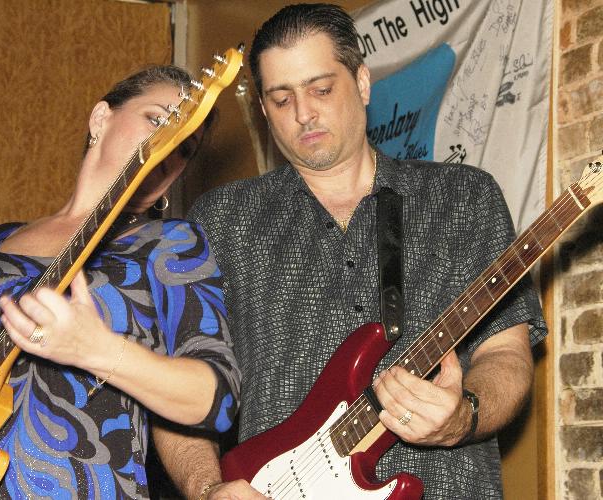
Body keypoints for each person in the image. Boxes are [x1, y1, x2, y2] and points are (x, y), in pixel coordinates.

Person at [153, 4, 547, 499]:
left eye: (321, 89)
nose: (303, 114)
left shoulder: (464, 198)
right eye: (281, 99)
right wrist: (207, 488)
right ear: (263, 109)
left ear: (362, 83)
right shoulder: (221, 220)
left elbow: (505, 353)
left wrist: (465, 414)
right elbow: (177, 386)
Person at [0, 64, 240, 499]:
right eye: (157, 119)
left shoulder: (171, 244)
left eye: (185, 148)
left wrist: (97, 350)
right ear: (100, 118)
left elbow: (216, 398)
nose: (169, 149)